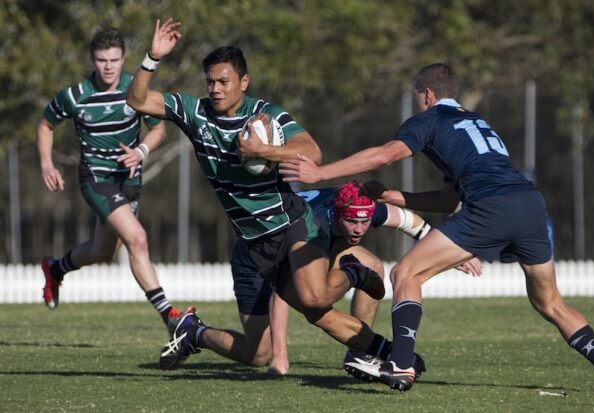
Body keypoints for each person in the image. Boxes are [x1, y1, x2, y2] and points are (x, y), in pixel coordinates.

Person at [279, 63, 594, 393]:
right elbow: (446, 201)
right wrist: (388, 196)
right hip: (529, 203)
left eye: (417, 97)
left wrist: (320, 174)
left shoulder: (430, 119)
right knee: (551, 303)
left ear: (427, 95)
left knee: (405, 274)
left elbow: (385, 155)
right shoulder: (476, 123)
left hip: (492, 207)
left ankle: (400, 364)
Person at [127, 19, 398, 371]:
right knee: (257, 355)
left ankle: (385, 338)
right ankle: (193, 332)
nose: (216, 89)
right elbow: (136, 99)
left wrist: (261, 151)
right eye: (210, 82)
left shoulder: (266, 115)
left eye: (224, 81)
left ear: (244, 82)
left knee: (316, 303)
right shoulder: (195, 113)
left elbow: (311, 152)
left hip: (292, 227)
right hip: (252, 248)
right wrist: (152, 57)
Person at [37, 26, 193, 334]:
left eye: (114, 60)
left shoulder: (134, 90)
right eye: (101, 60)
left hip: (129, 182)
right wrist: (46, 164)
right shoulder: (75, 96)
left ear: (123, 59)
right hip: (96, 180)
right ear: (92, 60)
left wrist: (141, 150)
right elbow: (45, 125)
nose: (108, 67)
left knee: (102, 252)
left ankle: (55, 269)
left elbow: (159, 129)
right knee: (138, 238)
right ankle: (171, 317)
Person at [267, 181, 482, 375]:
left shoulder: (361, 206)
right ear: (339, 213)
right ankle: (278, 355)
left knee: (373, 267)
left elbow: (408, 220)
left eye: (365, 222)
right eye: (352, 221)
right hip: (274, 255)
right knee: (302, 309)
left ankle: (359, 354)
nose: (359, 229)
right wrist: (279, 357)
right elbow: (281, 288)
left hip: (329, 238)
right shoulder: (312, 224)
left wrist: (449, 249)